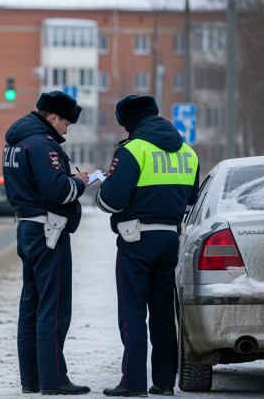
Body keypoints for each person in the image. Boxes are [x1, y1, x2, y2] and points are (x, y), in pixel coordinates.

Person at [95, 95, 199, 397]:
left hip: (136, 239)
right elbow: (191, 197)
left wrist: (101, 192)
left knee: (133, 312)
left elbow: (111, 200)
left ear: (128, 122)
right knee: (164, 313)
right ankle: (165, 382)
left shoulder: (133, 150)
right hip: (170, 239)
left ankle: (133, 382)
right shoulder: (188, 152)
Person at [2, 91, 91, 395]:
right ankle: (54, 380)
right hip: (49, 232)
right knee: (53, 309)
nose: (66, 129)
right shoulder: (43, 145)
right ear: (53, 117)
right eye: (66, 122)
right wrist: (80, 182)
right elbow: (56, 192)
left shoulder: (15, 142)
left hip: (27, 228)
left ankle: (32, 379)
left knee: (31, 306)